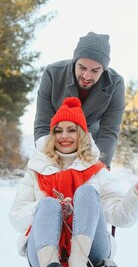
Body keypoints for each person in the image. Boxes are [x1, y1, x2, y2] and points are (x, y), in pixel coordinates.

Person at [11, 97, 138, 267]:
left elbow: (122, 217)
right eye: (58, 131)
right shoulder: (35, 171)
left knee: (86, 192)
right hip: (42, 252)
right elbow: (17, 217)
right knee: (48, 203)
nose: (64, 136)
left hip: (91, 254)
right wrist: (52, 208)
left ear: (82, 135)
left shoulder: (97, 171)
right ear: (52, 135)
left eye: (71, 130)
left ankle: (78, 266)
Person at [33, 32, 125, 168]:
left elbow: (109, 131)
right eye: (82, 67)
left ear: (104, 69)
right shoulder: (52, 74)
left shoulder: (116, 84)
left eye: (95, 70)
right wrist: (48, 164)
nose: (87, 76)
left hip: (90, 144)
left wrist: (100, 167)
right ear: (75, 62)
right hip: (58, 141)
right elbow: (43, 124)